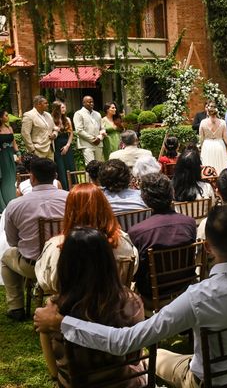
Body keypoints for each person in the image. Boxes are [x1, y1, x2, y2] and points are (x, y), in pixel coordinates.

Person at [34, 204, 227, 388]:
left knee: (157, 356)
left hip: (208, 381)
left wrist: (63, 324)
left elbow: (125, 341)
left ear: (207, 247)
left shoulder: (197, 298)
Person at [37, 228, 146, 386]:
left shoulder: (52, 311)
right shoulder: (131, 303)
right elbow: (134, 359)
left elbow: (54, 371)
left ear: (65, 264)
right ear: (108, 261)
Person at [35, 183, 138, 294]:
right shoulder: (122, 241)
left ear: (70, 211)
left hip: (69, 309)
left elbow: (46, 281)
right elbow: (133, 268)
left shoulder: (56, 246)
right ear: (104, 207)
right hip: (115, 305)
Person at [1, 157, 68, 321]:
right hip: (67, 262)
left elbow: (12, 241)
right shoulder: (70, 198)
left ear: (32, 177)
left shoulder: (15, 205)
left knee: (6, 257)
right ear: (55, 176)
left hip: (33, 265)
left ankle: (16, 306)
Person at [128, 173, 196, 300]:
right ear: (172, 193)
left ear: (144, 198)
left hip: (153, 295)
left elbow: (136, 272)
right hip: (185, 288)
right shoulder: (189, 223)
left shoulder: (136, 232)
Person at [50, 101, 76, 191]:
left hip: (67, 145)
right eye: (62, 107)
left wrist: (67, 145)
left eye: (64, 107)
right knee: (61, 168)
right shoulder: (51, 120)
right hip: (57, 146)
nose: (64, 109)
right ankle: (63, 188)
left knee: (70, 166)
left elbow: (71, 134)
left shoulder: (67, 119)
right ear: (56, 109)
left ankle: (73, 187)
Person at [199, 102, 227, 175]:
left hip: (207, 146)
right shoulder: (222, 122)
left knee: (207, 165)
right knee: (220, 165)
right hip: (219, 145)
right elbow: (226, 137)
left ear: (208, 111)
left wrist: (201, 147)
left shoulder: (203, 122)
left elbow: (201, 138)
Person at [21, 95, 56, 160]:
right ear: (38, 104)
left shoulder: (48, 115)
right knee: (39, 170)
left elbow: (54, 128)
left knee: (51, 170)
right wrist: (32, 150)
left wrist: (54, 134)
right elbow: (25, 134)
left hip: (50, 149)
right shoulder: (29, 115)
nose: (48, 105)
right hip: (37, 151)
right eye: (45, 103)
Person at [73, 96, 106, 164]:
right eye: (89, 102)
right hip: (86, 144)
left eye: (92, 102)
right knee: (90, 166)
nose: (91, 103)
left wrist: (99, 138)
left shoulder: (97, 114)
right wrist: (93, 139)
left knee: (99, 165)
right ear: (83, 103)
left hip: (98, 143)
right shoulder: (79, 113)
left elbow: (102, 128)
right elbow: (79, 130)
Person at [0, 110, 18, 210]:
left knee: (12, 177)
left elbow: (14, 142)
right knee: (5, 178)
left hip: (10, 155)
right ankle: (4, 204)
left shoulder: (9, 128)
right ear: (1, 118)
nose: (8, 117)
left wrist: (18, 153)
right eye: (6, 115)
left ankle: (12, 201)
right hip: (2, 157)